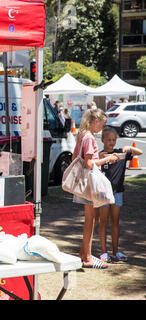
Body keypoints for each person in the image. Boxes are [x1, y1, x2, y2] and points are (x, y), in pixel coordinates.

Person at [72, 109, 119, 269]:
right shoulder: (90, 137)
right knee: (91, 220)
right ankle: (87, 258)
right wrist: (106, 159)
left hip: (83, 183)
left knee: (91, 219)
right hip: (89, 183)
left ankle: (84, 253)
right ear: (95, 121)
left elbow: (75, 158)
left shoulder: (82, 135)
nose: (102, 127)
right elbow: (89, 164)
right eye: (102, 123)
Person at [97, 127, 143, 263]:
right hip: (103, 193)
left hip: (118, 192)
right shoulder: (101, 155)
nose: (111, 142)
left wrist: (129, 147)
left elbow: (139, 152)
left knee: (115, 222)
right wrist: (102, 159)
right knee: (103, 222)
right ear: (103, 140)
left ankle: (116, 251)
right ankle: (104, 252)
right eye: (109, 140)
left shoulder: (121, 153)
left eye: (114, 140)